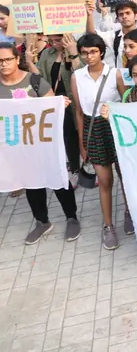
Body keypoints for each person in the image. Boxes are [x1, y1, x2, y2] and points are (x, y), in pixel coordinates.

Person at [0, 42, 81, 245]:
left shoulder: (34, 81)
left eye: (8, 59)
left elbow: (50, 106)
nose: (3, 64)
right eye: (0, 61)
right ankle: (42, 221)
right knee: (31, 184)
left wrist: (59, 105)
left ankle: (71, 217)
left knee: (58, 178)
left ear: (17, 59)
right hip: (16, 148)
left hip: (43, 144)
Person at [70, 34, 126, 249]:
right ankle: (108, 226)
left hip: (115, 128)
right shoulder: (77, 76)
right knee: (105, 181)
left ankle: (130, 213)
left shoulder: (114, 74)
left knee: (125, 177)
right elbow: (79, 112)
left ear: (101, 51)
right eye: (84, 53)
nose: (89, 56)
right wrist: (82, 145)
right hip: (94, 131)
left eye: (93, 51)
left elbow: (126, 102)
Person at [29, 34, 83, 175]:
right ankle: (75, 168)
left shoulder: (78, 48)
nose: (54, 43)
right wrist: (30, 63)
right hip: (57, 101)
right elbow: (38, 77)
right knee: (67, 135)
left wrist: (74, 53)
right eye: (51, 41)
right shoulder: (47, 53)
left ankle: (89, 165)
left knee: (82, 134)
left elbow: (83, 74)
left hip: (77, 99)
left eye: (57, 40)